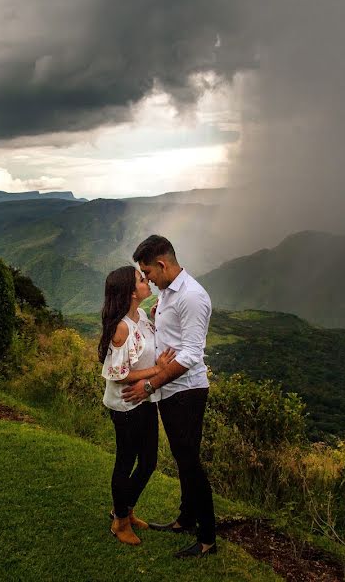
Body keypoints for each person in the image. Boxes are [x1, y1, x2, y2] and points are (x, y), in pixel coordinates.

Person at [122, 235, 217, 558]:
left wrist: (150, 385)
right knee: (182, 458)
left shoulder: (191, 297)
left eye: (148, 273)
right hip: (171, 390)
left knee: (190, 461)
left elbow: (190, 354)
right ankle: (185, 519)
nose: (147, 279)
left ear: (162, 264)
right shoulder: (168, 294)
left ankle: (207, 539)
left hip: (186, 392)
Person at [99, 265, 176, 546]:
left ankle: (125, 509)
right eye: (142, 279)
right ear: (132, 293)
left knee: (149, 462)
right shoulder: (121, 326)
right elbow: (117, 373)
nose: (147, 281)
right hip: (125, 405)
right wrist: (156, 371)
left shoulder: (141, 315)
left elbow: (146, 344)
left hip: (145, 399)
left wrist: (156, 316)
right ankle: (119, 522)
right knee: (126, 462)